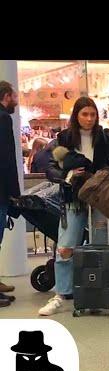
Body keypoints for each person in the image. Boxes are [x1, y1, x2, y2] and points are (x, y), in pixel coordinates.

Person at [38, 97, 109, 316]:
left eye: (93, 114)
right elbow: (50, 168)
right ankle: (61, 295)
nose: (89, 119)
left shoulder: (106, 138)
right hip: (73, 199)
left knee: (101, 247)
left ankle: (101, 293)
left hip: (100, 199)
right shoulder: (63, 139)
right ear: (76, 115)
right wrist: (67, 175)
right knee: (65, 247)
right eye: (85, 114)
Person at [0, 80, 21, 308]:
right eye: (14, 96)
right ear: (6, 96)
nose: (15, 100)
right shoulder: (3, 119)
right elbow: (6, 158)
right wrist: (14, 191)